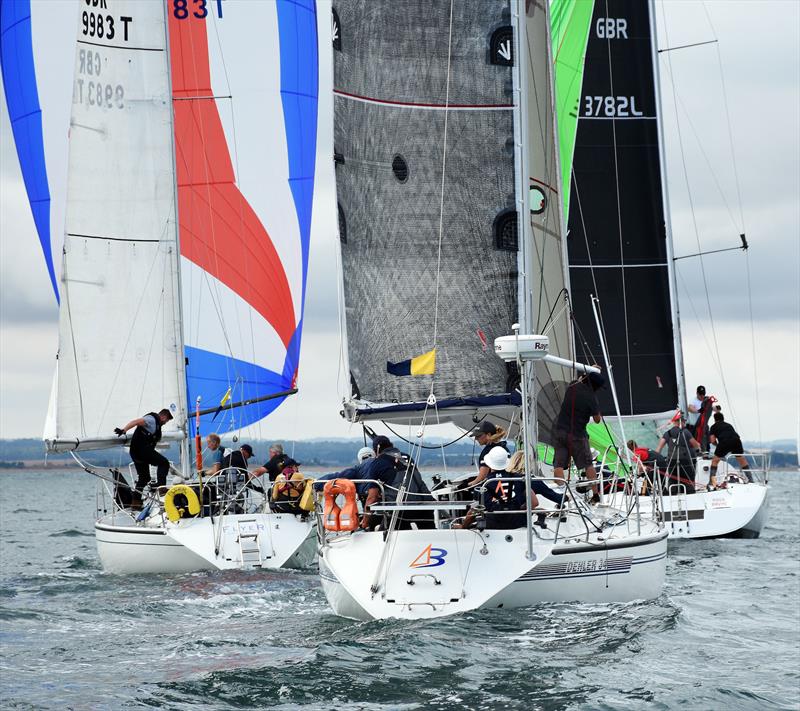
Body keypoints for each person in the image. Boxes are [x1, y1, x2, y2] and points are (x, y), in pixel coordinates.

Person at [552, 371, 604, 496]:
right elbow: (597, 420)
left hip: (560, 432)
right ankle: (596, 495)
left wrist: (590, 370)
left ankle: (563, 495)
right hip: (578, 436)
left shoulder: (572, 386)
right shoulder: (591, 398)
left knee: (558, 465)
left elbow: (581, 378)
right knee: (588, 465)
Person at [114, 408, 173, 496]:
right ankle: (161, 488)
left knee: (144, 478)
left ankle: (136, 501)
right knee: (164, 463)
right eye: (166, 421)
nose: (164, 423)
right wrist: (124, 430)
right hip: (143, 451)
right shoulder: (151, 419)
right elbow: (136, 422)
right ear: (164, 417)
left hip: (136, 453)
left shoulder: (155, 424)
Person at [654, 415, 701, 494]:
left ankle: (673, 495)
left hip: (671, 461)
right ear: (680, 422)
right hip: (685, 460)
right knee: (689, 480)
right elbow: (696, 445)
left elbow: (659, 448)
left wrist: (655, 459)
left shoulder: (667, 433)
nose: (684, 423)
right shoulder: (685, 432)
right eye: (683, 421)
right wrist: (698, 449)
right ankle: (690, 495)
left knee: (673, 480)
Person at [709, 412, 751, 486]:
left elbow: (712, 440)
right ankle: (751, 480)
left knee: (715, 461)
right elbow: (736, 435)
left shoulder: (713, 426)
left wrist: (718, 446)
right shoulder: (729, 425)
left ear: (715, 419)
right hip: (736, 441)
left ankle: (712, 482)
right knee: (742, 460)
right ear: (723, 418)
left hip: (724, 441)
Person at [465, 420, 509, 488]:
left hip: (493, 487)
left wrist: (467, 485)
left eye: (478, 436)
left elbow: (482, 477)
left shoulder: (487, 451)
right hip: (507, 485)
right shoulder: (504, 448)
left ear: (488, 435)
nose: (476, 438)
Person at [687, 385, 714, 451]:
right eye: (700, 394)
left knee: (706, 445)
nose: (702, 396)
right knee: (693, 446)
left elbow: (711, 408)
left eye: (703, 394)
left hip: (703, 427)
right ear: (697, 393)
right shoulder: (693, 400)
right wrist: (698, 411)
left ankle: (706, 455)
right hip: (693, 427)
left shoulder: (706, 401)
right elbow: (690, 408)